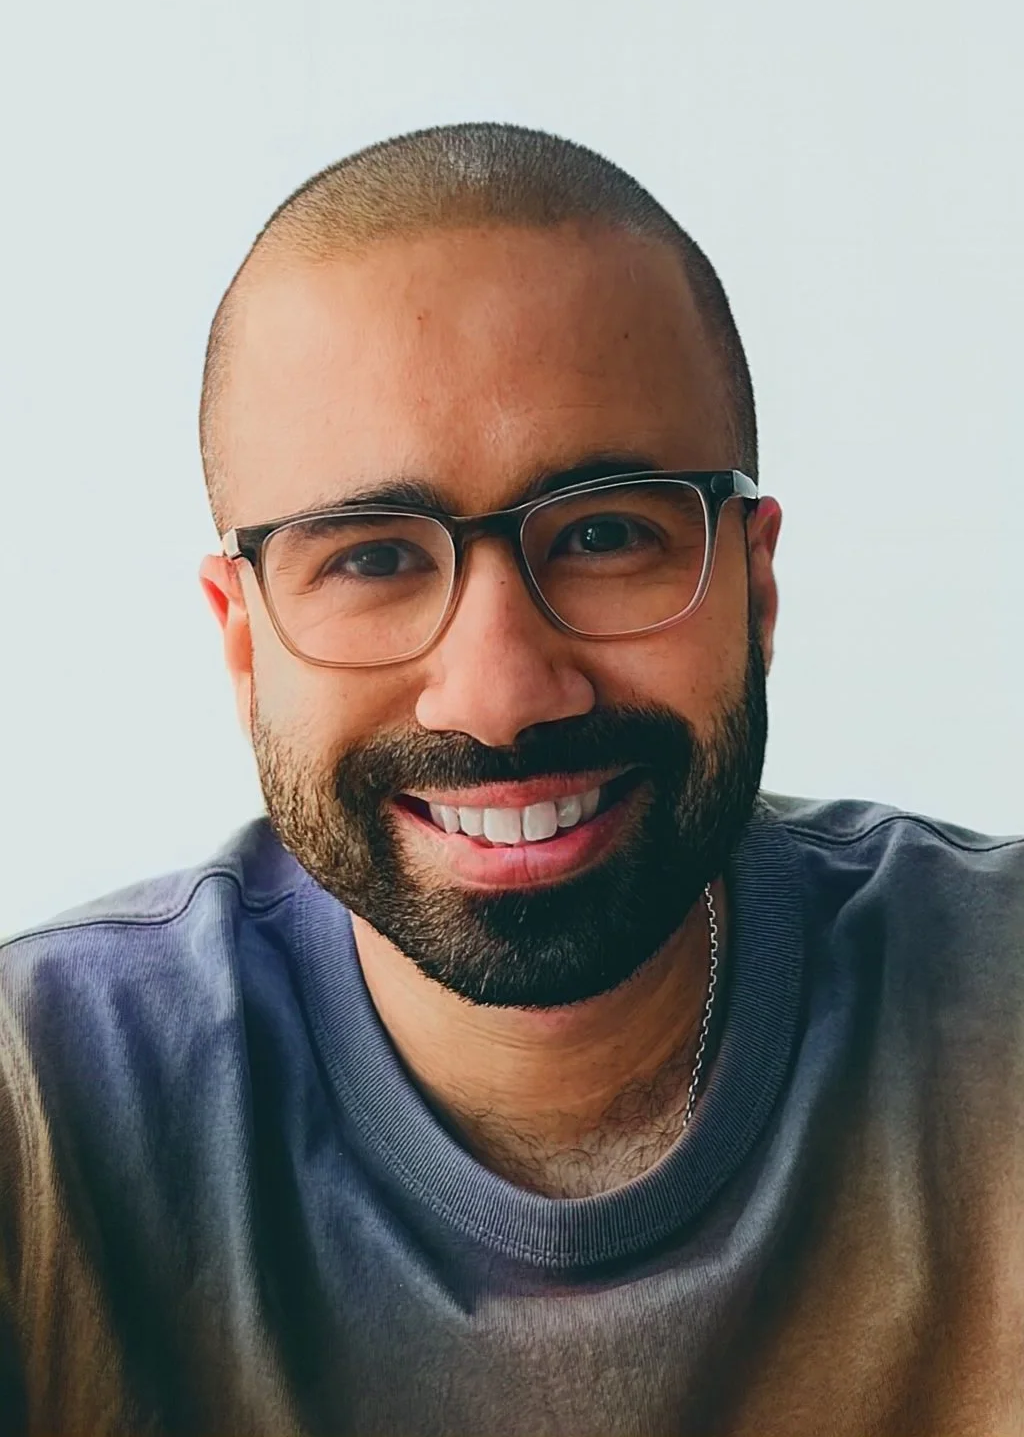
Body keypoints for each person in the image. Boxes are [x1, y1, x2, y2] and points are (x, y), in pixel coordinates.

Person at [1, 123, 1021, 1437]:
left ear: (756, 584)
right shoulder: (43, 1112)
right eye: (371, 559)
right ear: (243, 639)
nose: (498, 693)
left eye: (604, 536)